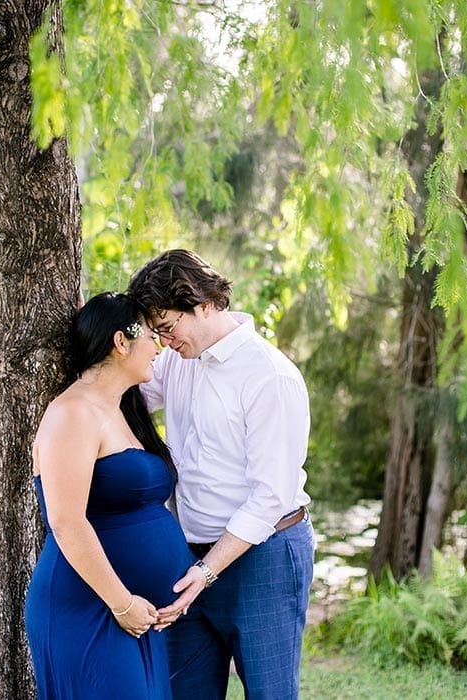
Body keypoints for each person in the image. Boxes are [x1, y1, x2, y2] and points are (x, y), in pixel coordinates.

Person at [127, 249, 315, 700]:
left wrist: (207, 571)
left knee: (269, 694)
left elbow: (269, 498)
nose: (164, 341)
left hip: (264, 557)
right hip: (186, 555)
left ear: (205, 303)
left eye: (168, 327)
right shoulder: (177, 360)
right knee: (182, 692)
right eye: (157, 332)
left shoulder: (270, 377)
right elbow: (127, 389)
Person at [24, 292, 201, 700]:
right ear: (121, 342)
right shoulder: (73, 413)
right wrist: (122, 604)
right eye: (151, 338)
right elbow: (66, 521)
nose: (159, 348)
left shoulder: (122, 410)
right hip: (92, 606)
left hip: (136, 614)